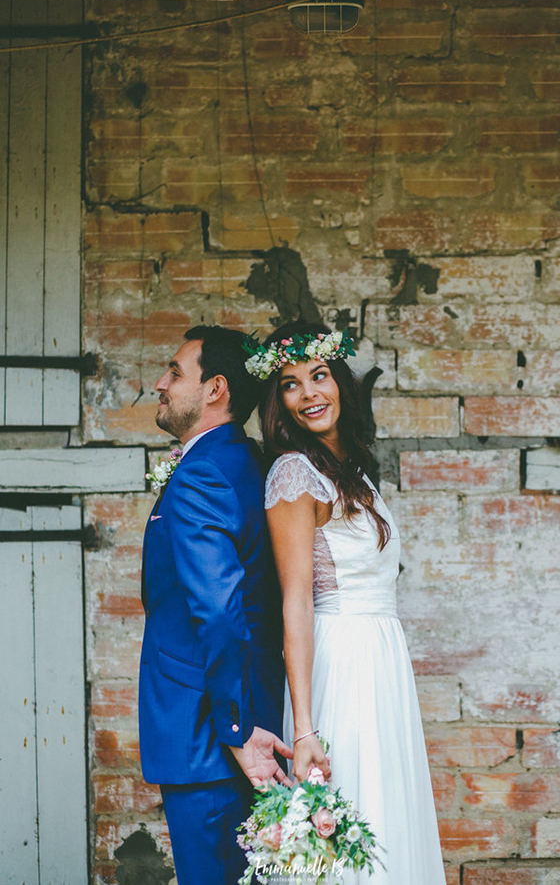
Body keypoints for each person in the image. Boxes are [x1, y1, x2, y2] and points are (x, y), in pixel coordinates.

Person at [250, 321, 446, 884]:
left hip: (383, 661)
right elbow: (296, 603)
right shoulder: (294, 474)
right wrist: (306, 727)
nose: (309, 393)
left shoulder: (353, 468)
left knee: (387, 812)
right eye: (290, 384)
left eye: (318, 376)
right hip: (340, 665)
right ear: (279, 403)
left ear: (339, 380)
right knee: (345, 816)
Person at [138, 325, 292, 885]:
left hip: (213, 736)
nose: (161, 383)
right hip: (232, 728)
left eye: (175, 373)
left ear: (215, 389)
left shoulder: (202, 472)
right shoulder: (243, 460)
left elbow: (219, 610)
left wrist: (237, 729)